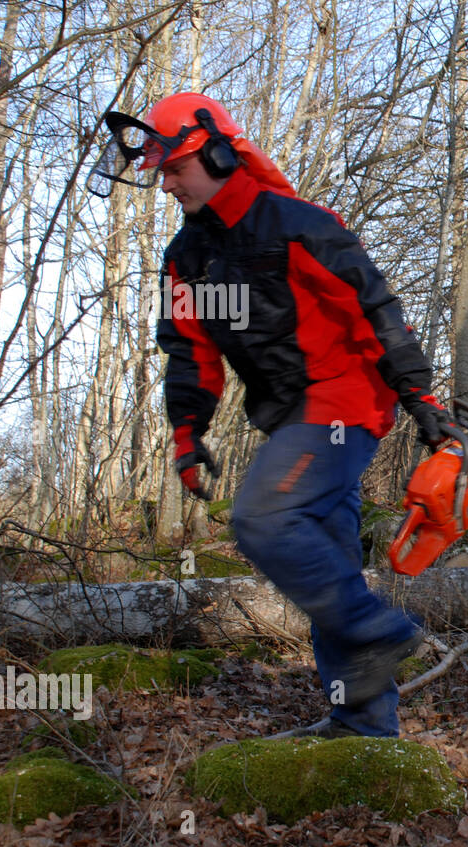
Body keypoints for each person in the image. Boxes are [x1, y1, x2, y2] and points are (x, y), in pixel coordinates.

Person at [98, 92, 446, 739]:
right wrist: (186, 433)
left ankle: (382, 631)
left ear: (218, 152)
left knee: (262, 516)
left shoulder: (295, 224)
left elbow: (375, 308)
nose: (167, 184)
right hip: (288, 415)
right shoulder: (187, 258)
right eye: (162, 174)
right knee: (332, 558)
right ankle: (364, 726)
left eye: (175, 170)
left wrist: (419, 397)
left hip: (343, 399)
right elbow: (189, 349)